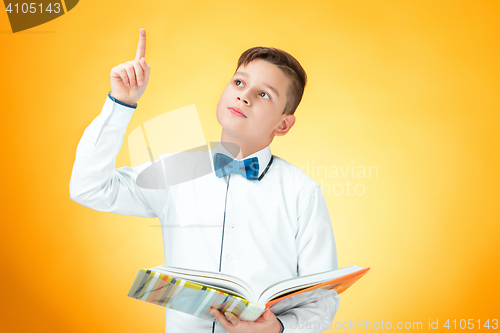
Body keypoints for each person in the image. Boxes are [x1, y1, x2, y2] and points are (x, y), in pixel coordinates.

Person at [69, 28, 340, 333]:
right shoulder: (177, 171)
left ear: (283, 124)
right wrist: (120, 104)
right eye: (239, 82)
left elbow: (323, 299)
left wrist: (278, 329)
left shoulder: (302, 192)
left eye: (264, 94)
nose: (244, 96)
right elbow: (89, 188)